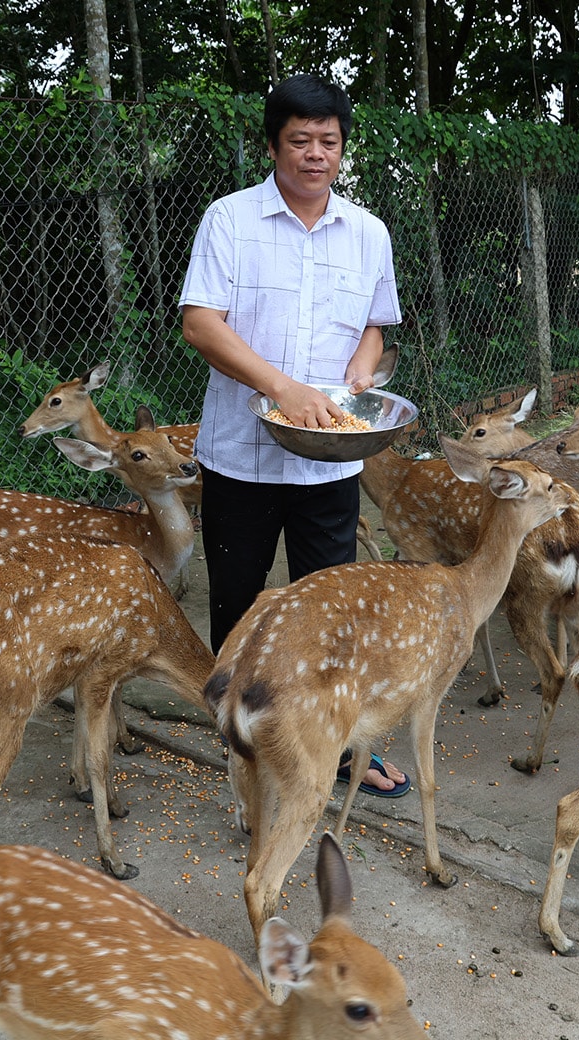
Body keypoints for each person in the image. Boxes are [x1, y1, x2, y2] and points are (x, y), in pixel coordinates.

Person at [179, 73, 408, 797]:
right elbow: (200, 323)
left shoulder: (368, 232)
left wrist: (360, 373)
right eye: (300, 140)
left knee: (329, 609)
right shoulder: (229, 221)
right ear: (273, 144)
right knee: (240, 605)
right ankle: (241, 748)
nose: (315, 154)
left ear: (343, 149)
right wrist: (281, 387)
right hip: (241, 458)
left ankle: (339, 747)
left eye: (328, 142)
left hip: (330, 464)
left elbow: (374, 322)